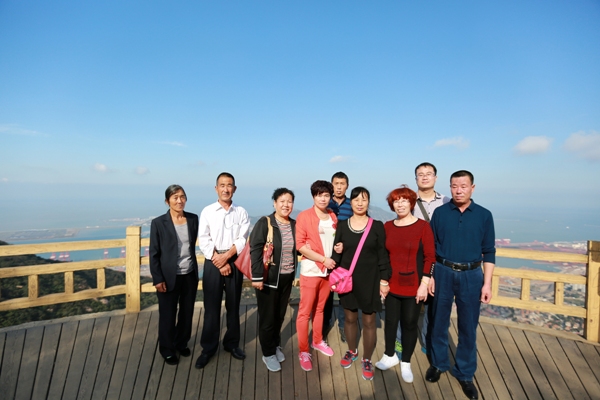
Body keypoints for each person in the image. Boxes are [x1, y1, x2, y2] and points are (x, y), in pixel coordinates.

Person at [425, 170, 495, 400]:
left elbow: (489, 251)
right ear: (450, 187)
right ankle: (438, 363)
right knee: (438, 321)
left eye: (463, 186)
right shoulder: (440, 213)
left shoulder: (484, 215)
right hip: (443, 271)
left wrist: (487, 284)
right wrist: (431, 276)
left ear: (472, 188)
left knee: (468, 326)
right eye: (454, 186)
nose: (458, 190)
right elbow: (431, 247)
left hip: (471, 275)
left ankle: (465, 373)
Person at [375, 185, 435, 383]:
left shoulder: (422, 227)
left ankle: (406, 361)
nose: (400, 204)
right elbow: (382, 255)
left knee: (409, 323)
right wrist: (383, 281)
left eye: (404, 200)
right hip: (392, 284)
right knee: (391, 322)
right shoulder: (388, 226)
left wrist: (424, 283)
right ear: (392, 205)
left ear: (411, 203)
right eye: (396, 201)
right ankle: (389, 354)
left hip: (414, 285)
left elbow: (430, 257)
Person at [332, 187, 391, 381]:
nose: (359, 203)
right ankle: (352, 350)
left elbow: (383, 254)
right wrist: (337, 251)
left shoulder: (377, 226)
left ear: (368, 202)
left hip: (371, 280)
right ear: (351, 202)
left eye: (363, 200)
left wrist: (384, 280)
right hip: (348, 281)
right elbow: (336, 254)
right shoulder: (342, 225)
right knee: (349, 319)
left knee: (369, 321)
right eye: (356, 199)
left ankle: (367, 359)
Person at [395, 162, 450, 358]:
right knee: (407, 303)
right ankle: (400, 341)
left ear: (436, 177)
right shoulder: (409, 200)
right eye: (421, 174)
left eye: (429, 173)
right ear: (416, 178)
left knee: (434, 306)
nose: (425, 177)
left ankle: (428, 341)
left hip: (439, 260)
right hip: (414, 262)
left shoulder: (446, 202)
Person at [195, 172, 250, 369]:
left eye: (229, 185)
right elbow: (204, 239)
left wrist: (226, 258)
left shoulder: (241, 212)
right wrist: (219, 261)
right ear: (216, 188)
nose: (226, 189)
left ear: (234, 188)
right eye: (222, 185)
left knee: (234, 306)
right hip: (213, 261)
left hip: (233, 260)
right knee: (211, 308)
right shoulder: (208, 211)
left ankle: (232, 344)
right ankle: (208, 348)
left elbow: (242, 239)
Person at [149, 184, 199, 366]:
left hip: (189, 274)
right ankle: (167, 349)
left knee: (187, 312)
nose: (179, 201)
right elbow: (154, 254)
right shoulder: (158, 223)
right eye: (175, 197)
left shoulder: (193, 219)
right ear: (167, 201)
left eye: (182, 197)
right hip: (168, 276)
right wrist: (158, 279)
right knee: (167, 315)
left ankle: (181, 343)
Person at [250, 188, 297, 372]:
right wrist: (257, 276)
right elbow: (255, 249)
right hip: (268, 278)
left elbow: (297, 248)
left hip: (287, 277)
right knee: (268, 318)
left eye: (289, 201)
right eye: (282, 201)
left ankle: (275, 344)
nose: (286, 205)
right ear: (274, 203)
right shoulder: (265, 222)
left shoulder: (294, 224)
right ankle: (267, 353)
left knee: (279, 315)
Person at [295, 180, 338, 372]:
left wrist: (338, 249)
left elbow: (334, 240)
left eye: (326, 195)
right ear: (313, 196)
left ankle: (317, 341)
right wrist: (323, 259)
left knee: (320, 309)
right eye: (319, 195)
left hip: (328, 271)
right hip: (312, 270)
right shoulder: (304, 216)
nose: (323, 198)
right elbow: (300, 245)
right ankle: (303, 351)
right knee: (305, 312)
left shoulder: (332, 215)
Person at [323, 171, 352, 343]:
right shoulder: (326, 203)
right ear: (331, 185)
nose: (339, 187)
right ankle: (324, 324)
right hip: (327, 255)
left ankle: (343, 325)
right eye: (336, 183)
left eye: (342, 184)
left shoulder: (352, 204)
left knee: (344, 292)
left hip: (347, 256)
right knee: (326, 293)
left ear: (347, 186)